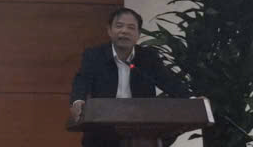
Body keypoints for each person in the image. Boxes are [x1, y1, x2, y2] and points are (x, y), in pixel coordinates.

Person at [69, 8, 191, 147]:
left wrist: (191, 99)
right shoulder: (95, 55)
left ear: (138, 34)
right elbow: (83, 79)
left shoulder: (148, 57)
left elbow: (168, 81)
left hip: (142, 128)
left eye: (131, 27)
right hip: (103, 130)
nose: (124, 31)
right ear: (109, 30)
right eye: (119, 26)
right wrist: (77, 100)